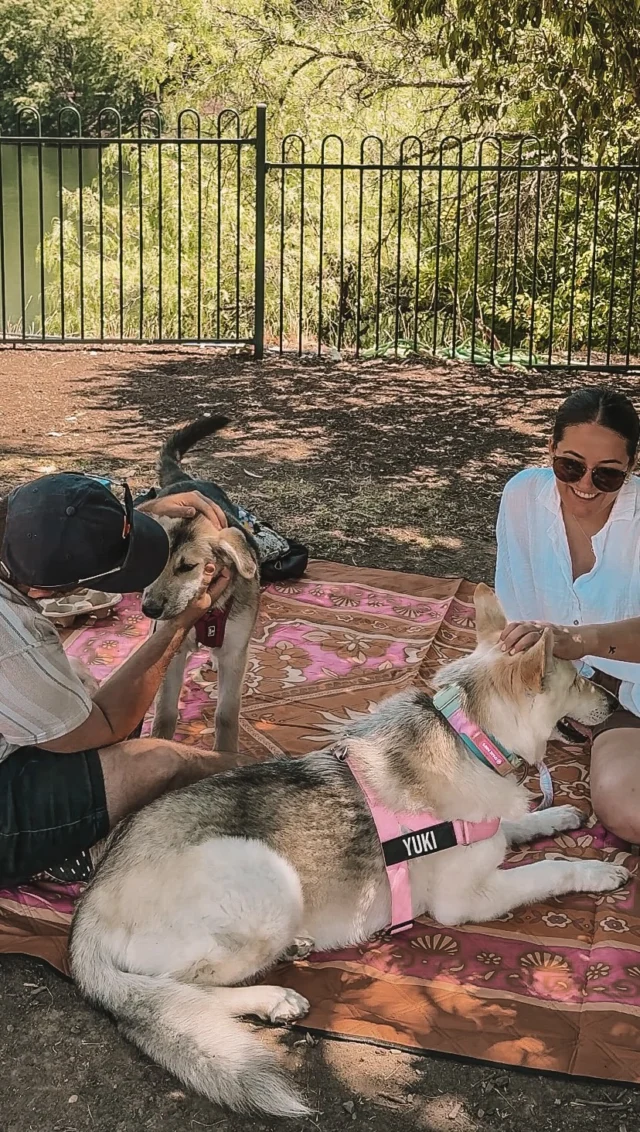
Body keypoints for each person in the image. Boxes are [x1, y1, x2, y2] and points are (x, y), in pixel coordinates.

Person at [0, 472, 244, 887]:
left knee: (74, 678)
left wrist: (129, 520)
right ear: (47, 590)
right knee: (158, 762)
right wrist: (177, 626)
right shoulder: (16, 638)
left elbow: (52, 530)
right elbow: (108, 726)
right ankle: (61, 849)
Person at [495, 385, 640, 844]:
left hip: (632, 693)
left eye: (608, 475)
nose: (584, 484)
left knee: (628, 809)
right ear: (551, 450)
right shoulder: (522, 496)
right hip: (564, 687)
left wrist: (581, 641)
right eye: (570, 466)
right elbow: (514, 605)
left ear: (632, 468)